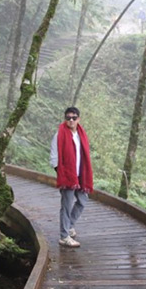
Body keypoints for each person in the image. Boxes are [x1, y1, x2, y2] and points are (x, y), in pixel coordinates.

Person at [49, 106, 93, 248]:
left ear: (78, 119)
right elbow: (54, 157)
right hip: (67, 176)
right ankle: (64, 236)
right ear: (65, 119)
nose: (71, 120)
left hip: (81, 174)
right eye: (68, 118)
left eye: (74, 118)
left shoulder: (81, 134)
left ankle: (69, 225)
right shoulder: (59, 135)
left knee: (82, 200)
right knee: (66, 206)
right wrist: (61, 172)